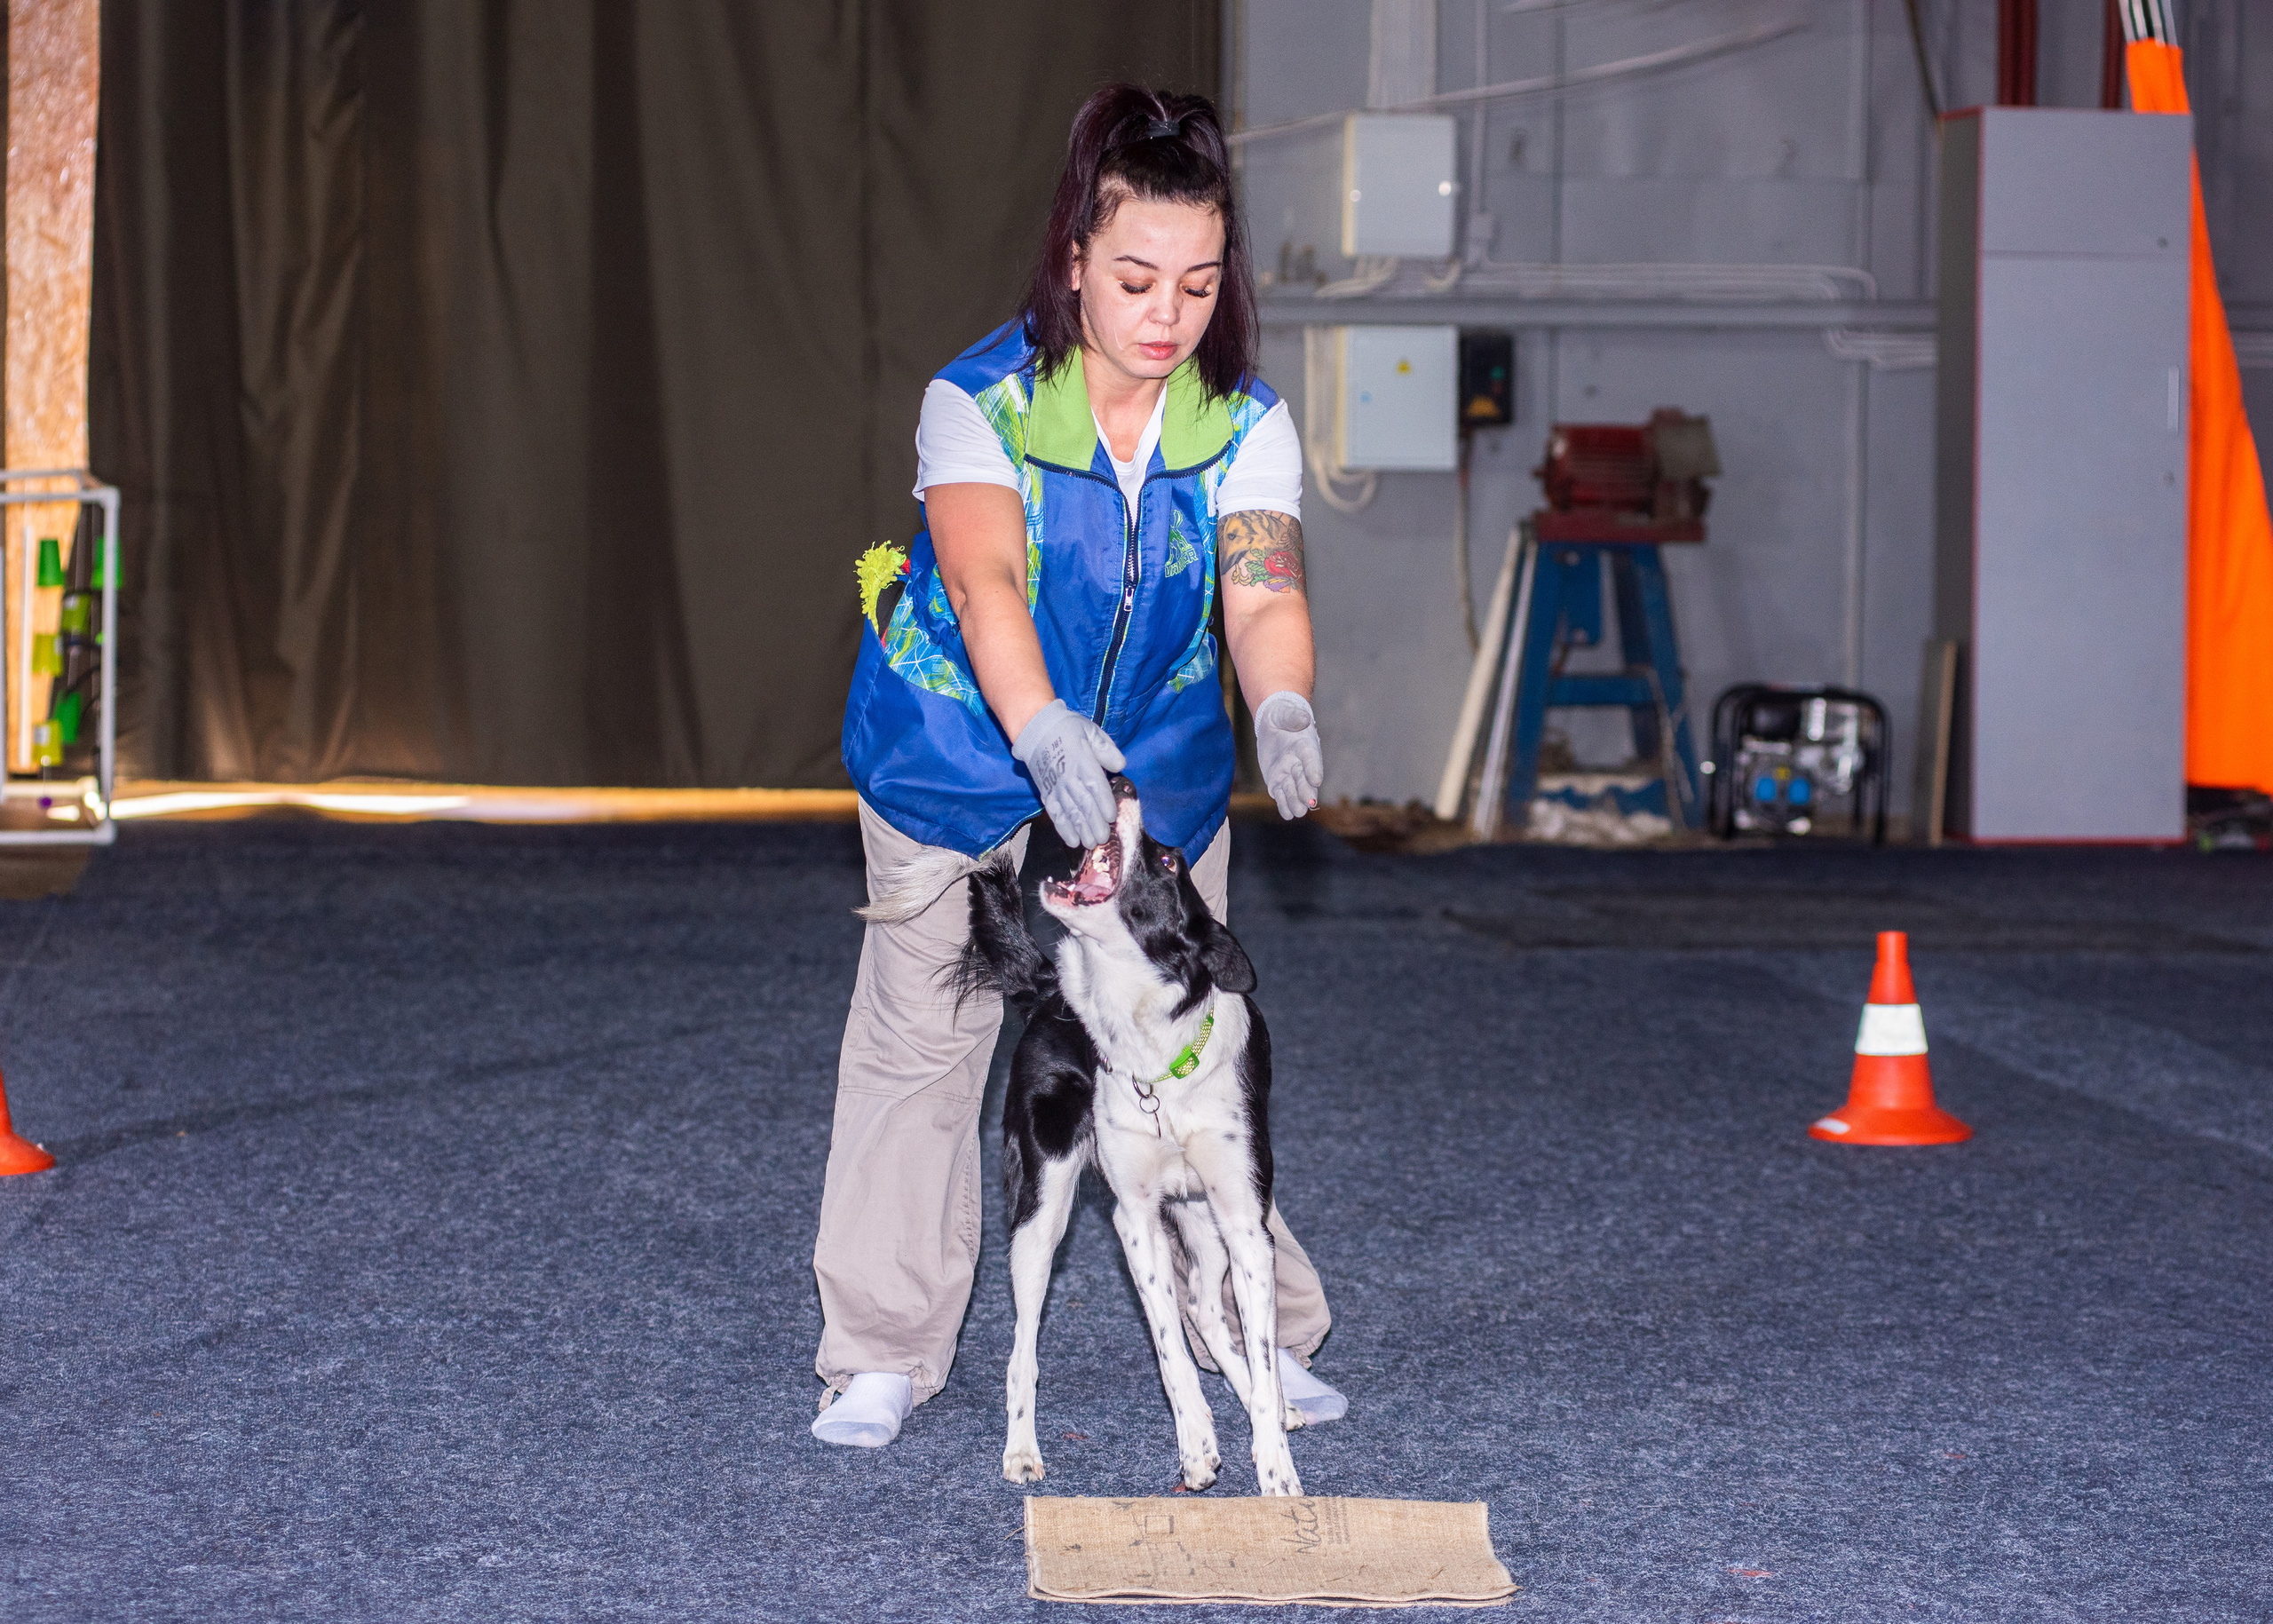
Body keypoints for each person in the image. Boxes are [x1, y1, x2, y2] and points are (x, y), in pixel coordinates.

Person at [814, 83, 1343, 1448]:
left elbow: (1262, 587)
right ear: (1073, 262)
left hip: (1151, 775)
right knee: (925, 1043)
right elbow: (987, 581)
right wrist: (1042, 727)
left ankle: (1254, 1333)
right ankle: (880, 1344)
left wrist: (1282, 701)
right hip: (960, 753)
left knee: (1188, 1053)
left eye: (1198, 282)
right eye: (1135, 278)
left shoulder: (1245, 421)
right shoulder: (977, 401)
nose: (1167, 313)